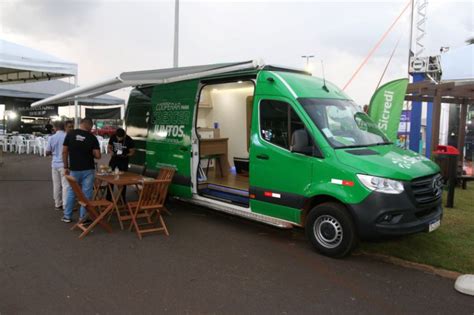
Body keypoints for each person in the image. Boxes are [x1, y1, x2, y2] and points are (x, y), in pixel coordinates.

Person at [62, 117, 101, 223]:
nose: (91, 129)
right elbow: (98, 155)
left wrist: (66, 167)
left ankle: (67, 216)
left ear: (81, 123)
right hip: (88, 169)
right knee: (86, 193)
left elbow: (64, 152)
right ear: (88, 125)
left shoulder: (70, 134)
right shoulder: (92, 137)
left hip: (74, 168)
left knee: (72, 192)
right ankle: (83, 217)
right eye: (91, 127)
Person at [107, 128, 135, 202]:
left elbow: (132, 152)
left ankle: (122, 198)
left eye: (121, 138)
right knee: (110, 176)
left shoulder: (129, 140)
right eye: (118, 137)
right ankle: (108, 198)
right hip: (114, 159)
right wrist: (110, 151)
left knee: (122, 179)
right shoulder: (113, 137)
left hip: (123, 160)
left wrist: (126, 155)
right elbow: (109, 146)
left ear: (124, 135)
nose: (119, 139)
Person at [45, 121, 68, 211]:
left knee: (56, 184)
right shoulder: (67, 136)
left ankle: (58, 204)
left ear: (56, 128)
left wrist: (52, 152)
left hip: (54, 164)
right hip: (65, 164)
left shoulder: (52, 137)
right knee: (65, 185)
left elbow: (47, 152)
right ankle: (66, 205)